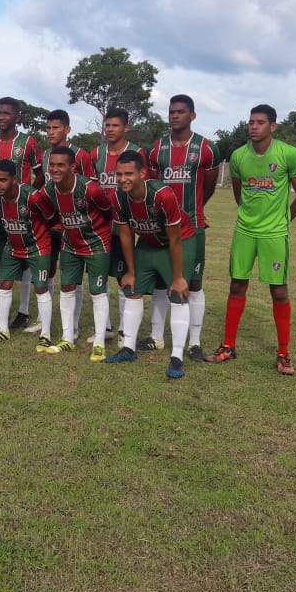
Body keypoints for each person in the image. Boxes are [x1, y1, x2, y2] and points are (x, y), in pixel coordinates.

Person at [207, 104, 296, 374]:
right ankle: (228, 346)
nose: (254, 126)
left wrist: (283, 221)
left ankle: (284, 353)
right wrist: (249, 217)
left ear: (272, 127)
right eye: (251, 122)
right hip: (244, 232)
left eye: (260, 122)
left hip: (274, 234)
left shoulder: (288, 154)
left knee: (278, 291)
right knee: (236, 285)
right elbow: (239, 195)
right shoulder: (239, 156)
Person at [105, 151, 192, 379]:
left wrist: (178, 276)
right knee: (132, 289)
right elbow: (125, 235)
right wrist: (131, 272)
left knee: (177, 293)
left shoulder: (162, 195)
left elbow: (174, 238)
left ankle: (177, 357)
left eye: (129, 174)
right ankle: (129, 349)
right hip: (148, 240)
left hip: (178, 241)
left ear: (142, 173)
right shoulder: (118, 197)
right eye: (119, 174)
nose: (123, 179)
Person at [149, 94, 220, 361]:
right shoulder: (157, 149)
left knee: (194, 282)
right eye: (171, 111)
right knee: (159, 281)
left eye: (180, 112)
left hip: (193, 225)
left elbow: (209, 185)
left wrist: (196, 210)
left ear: (192, 115)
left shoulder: (206, 148)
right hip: (161, 226)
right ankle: (156, 338)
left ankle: (195, 342)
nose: (174, 116)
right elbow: (153, 185)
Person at [39, 147, 113, 361]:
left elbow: (108, 212)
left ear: (72, 167)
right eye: (52, 165)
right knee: (67, 287)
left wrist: (96, 232)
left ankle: (99, 342)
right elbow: (49, 213)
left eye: (60, 165)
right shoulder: (48, 190)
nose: (55, 169)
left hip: (96, 244)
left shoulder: (91, 190)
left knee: (97, 291)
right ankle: (67, 338)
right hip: (70, 244)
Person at [0, 97, 44, 331]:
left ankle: (24, 312)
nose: (1, 117)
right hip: (0, 214)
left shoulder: (27, 142)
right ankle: (2, 311)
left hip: (23, 214)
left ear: (17, 117)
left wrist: (28, 198)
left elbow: (40, 174)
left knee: (26, 261)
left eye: (6, 113)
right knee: (0, 259)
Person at [0, 159, 60, 353]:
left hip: (37, 246)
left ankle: (45, 335)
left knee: (41, 288)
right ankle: (3, 330)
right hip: (13, 245)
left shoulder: (33, 197)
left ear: (15, 179)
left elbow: (53, 218)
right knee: (4, 284)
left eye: (3, 180)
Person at [89, 107, 148, 347]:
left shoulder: (136, 153)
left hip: (126, 226)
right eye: (107, 125)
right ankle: (106, 328)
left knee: (124, 278)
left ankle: (125, 331)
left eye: (115, 125)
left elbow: (142, 186)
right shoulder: (96, 153)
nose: (110, 129)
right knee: (99, 277)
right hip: (100, 226)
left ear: (126, 127)